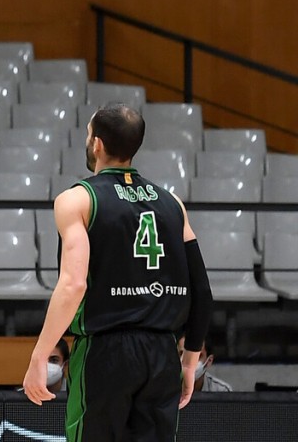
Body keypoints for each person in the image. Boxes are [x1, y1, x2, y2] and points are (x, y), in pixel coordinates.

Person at [22, 103, 214, 442]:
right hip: (161, 352)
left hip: (104, 351)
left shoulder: (77, 199)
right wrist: (188, 362)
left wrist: (41, 353)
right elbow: (202, 290)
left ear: (96, 143)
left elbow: (73, 284)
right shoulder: (172, 203)